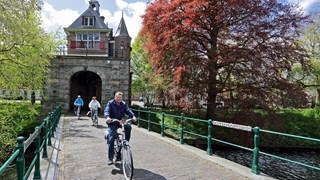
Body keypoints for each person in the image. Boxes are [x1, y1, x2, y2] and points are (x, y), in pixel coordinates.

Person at [104, 91, 137, 165]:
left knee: (128, 127)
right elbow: (107, 110)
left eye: (120, 97)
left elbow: (128, 111)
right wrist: (108, 117)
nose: (119, 99)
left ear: (122, 98)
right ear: (115, 97)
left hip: (120, 121)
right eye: (117, 97)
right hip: (112, 121)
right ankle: (110, 158)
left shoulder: (124, 104)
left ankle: (125, 142)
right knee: (111, 139)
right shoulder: (110, 103)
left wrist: (133, 116)